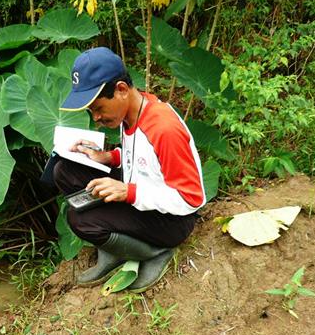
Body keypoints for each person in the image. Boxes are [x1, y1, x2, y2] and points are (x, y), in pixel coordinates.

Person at [56, 47, 206, 292]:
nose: (96, 118)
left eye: (98, 108)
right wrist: (108, 157)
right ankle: (116, 249)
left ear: (121, 90)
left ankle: (155, 252)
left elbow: (191, 198)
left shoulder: (163, 129)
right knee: (65, 169)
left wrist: (129, 192)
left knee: (80, 220)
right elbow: (144, 157)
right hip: (142, 191)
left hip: (173, 219)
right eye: (91, 111)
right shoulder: (130, 113)